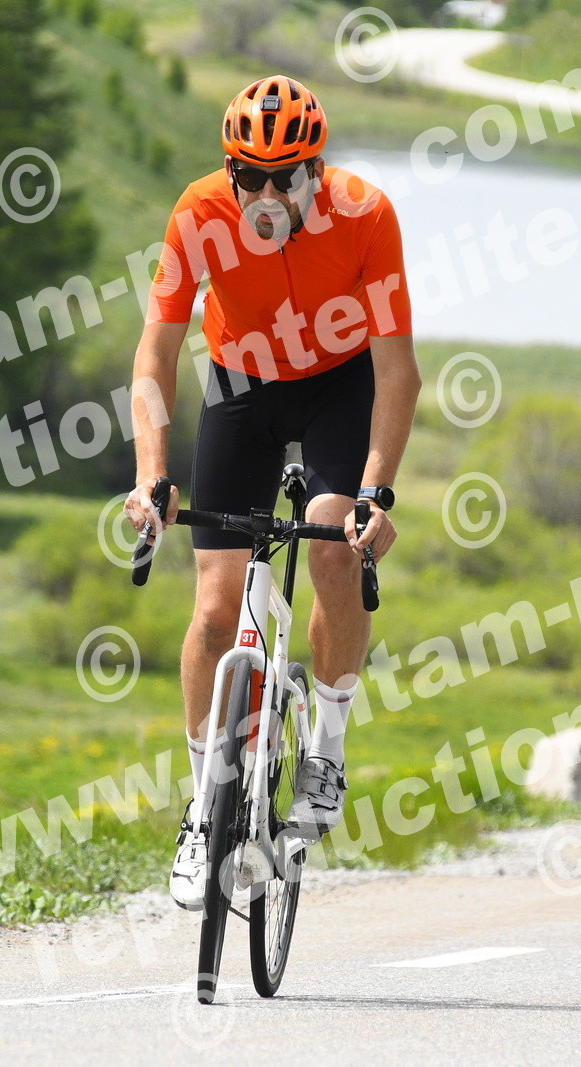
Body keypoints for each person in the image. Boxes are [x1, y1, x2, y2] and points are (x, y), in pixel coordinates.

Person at [122, 75, 420, 910]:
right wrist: (151, 474)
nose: (263, 195)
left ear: (314, 171)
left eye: (282, 177)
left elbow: (398, 370)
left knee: (332, 540)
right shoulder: (198, 212)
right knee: (217, 610)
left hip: (339, 386)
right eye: (246, 175)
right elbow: (155, 355)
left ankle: (325, 746)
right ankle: (200, 814)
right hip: (240, 386)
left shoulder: (367, 215)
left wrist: (376, 494)